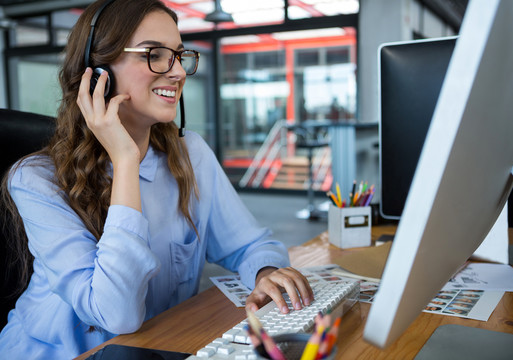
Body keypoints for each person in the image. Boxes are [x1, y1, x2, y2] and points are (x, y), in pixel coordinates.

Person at [0, 0, 313, 358]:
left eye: (179, 55)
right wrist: (125, 160)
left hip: (155, 349)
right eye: (155, 54)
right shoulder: (36, 180)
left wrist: (266, 272)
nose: (177, 72)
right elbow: (116, 314)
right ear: (97, 70)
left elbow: (248, 245)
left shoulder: (189, 153)